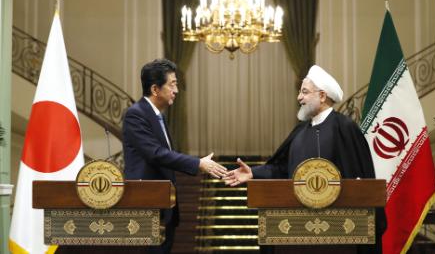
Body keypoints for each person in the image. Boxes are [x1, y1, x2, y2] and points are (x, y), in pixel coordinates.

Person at [223, 65, 386, 254]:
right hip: (298, 229)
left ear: (322, 96)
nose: (299, 97)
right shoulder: (300, 132)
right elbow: (282, 170)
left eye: (305, 92)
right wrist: (253, 172)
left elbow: (362, 177)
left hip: (340, 231)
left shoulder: (345, 128)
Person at [123, 58, 227, 254]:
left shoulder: (158, 115)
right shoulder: (135, 114)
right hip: (147, 206)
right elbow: (155, 154)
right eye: (172, 84)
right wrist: (197, 163)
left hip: (164, 207)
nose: (176, 90)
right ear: (155, 89)